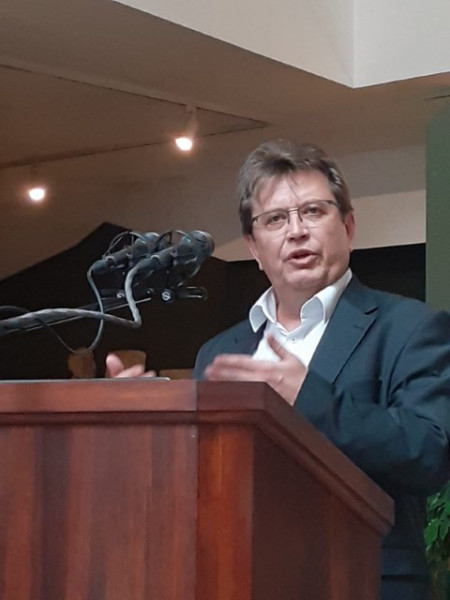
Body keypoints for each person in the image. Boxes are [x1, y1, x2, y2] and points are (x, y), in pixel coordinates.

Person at [108, 139, 450, 599]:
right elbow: (200, 483)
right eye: (275, 219)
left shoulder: (409, 327)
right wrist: (146, 428)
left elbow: (430, 453)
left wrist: (307, 397)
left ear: (348, 226)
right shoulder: (220, 351)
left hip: (361, 582)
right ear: (253, 246)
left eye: (313, 212)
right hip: (235, 582)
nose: (296, 231)